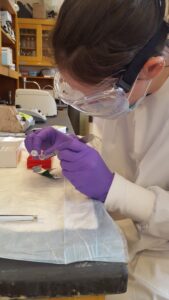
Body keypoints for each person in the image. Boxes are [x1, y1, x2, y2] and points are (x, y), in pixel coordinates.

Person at [25, 0, 169, 299]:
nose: (93, 107)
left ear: (152, 68)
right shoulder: (123, 89)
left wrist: (112, 188)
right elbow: (116, 150)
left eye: (98, 99)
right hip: (120, 243)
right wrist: (76, 146)